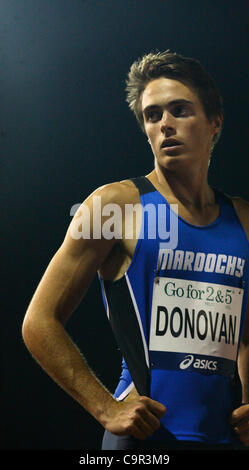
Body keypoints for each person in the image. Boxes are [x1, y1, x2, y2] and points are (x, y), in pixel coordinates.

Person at [22, 50, 249, 450]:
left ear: (215, 122)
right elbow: (39, 321)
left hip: (225, 437)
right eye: (152, 115)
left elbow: (244, 338)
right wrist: (106, 408)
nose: (165, 125)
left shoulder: (244, 219)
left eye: (179, 110)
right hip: (142, 439)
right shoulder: (116, 206)